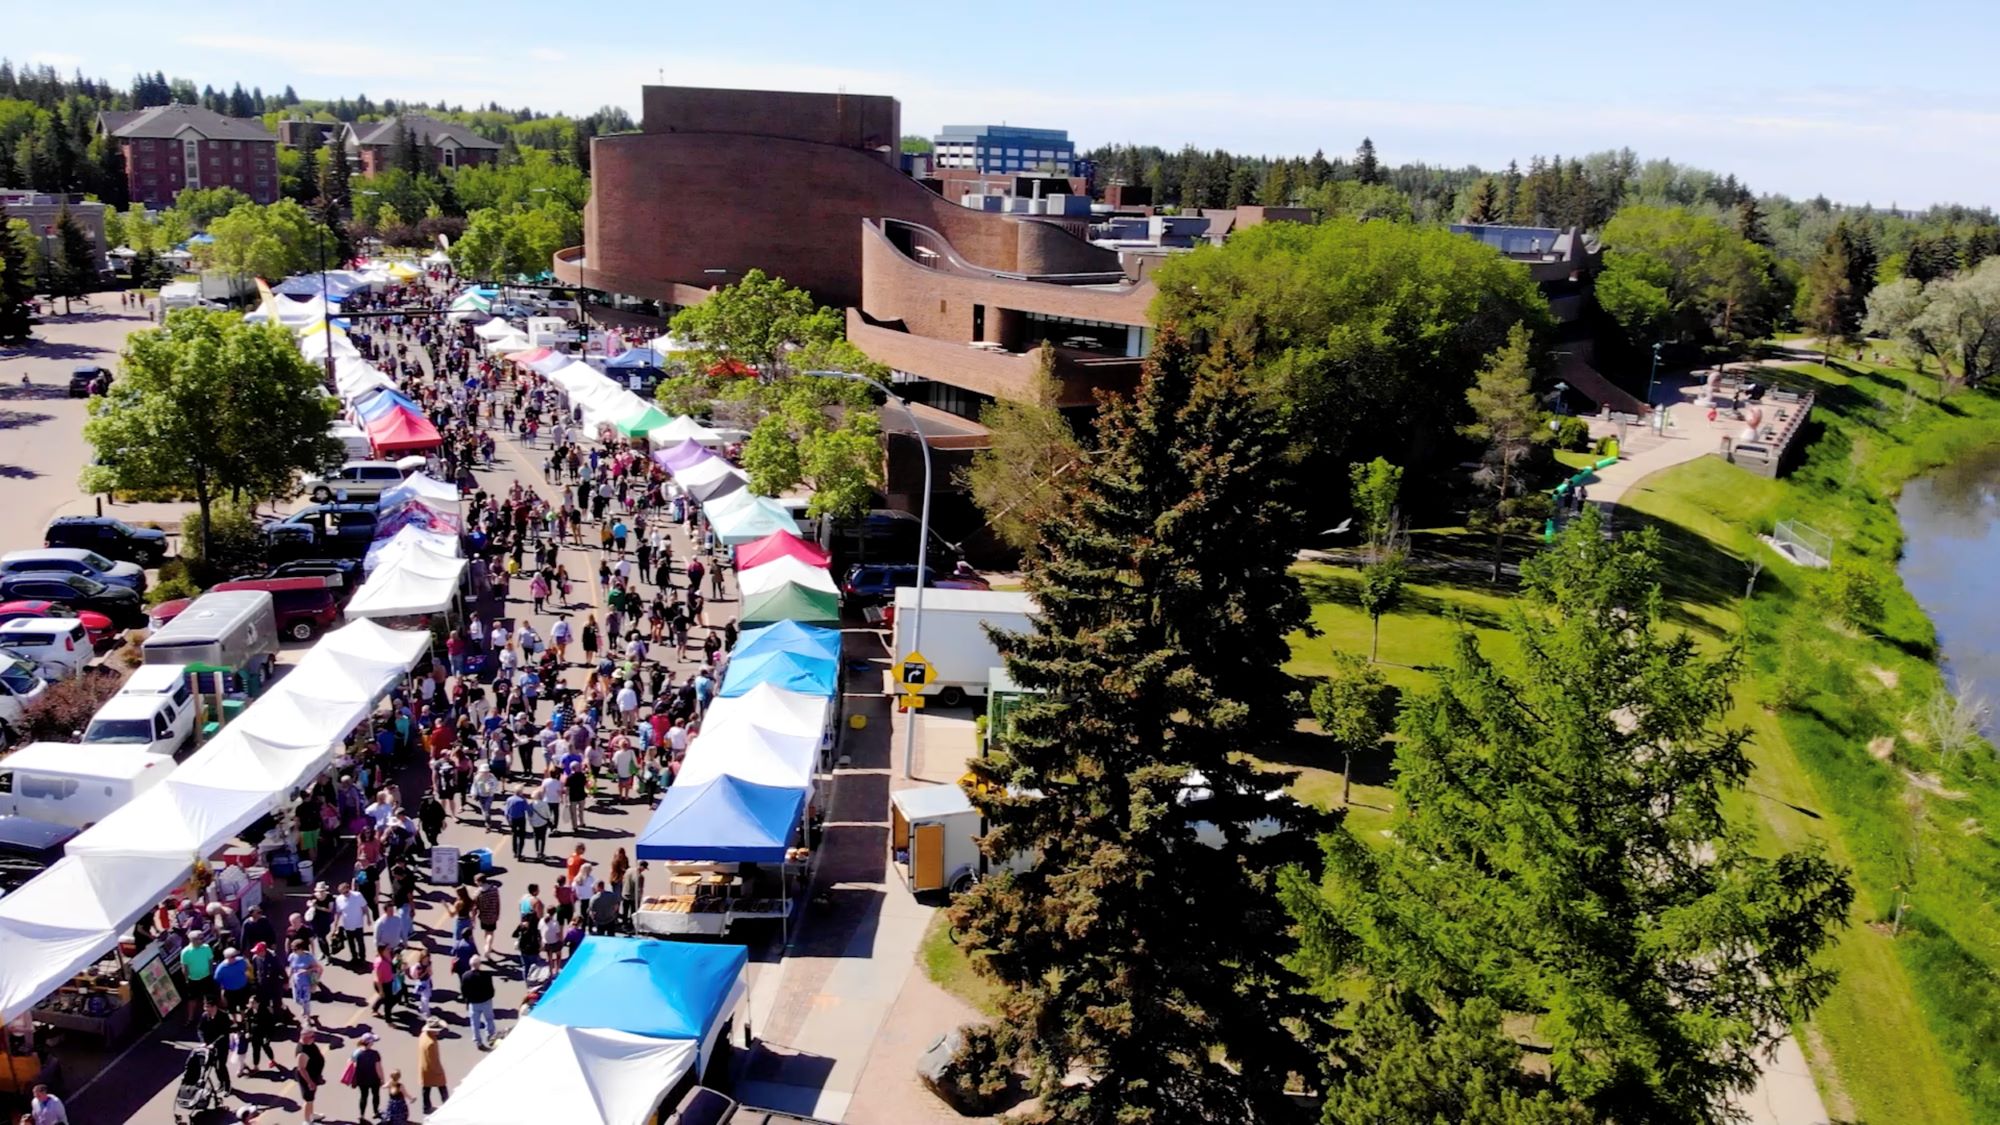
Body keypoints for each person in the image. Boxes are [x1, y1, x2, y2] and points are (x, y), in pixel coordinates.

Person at [461, 956, 498, 1049]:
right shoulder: (486, 975)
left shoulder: (465, 976)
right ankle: (491, 1037)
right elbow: (491, 989)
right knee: (489, 1019)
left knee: (475, 1023)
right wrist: (490, 997)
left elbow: (464, 991)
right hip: (486, 1001)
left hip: (473, 1003)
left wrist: (467, 1000)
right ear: (479, 964)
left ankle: (478, 1041)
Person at [348, 1032, 385, 1121]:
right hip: (374, 1079)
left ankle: (362, 1115)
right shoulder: (375, 1054)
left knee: (363, 1096)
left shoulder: (356, 1053)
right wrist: (382, 1079)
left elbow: (350, 1064)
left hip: (361, 1080)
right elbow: (378, 1068)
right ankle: (376, 1112)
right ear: (369, 1043)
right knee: (375, 1095)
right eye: (372, 1041)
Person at [417, 1017, 451, 1112]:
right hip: (432, 1068)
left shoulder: (423, 1035)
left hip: (424, 1066)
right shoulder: (431, 1043)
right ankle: (447, 1104)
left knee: (426, 1088)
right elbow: (433, 1059)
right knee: (442, 1086)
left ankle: (426, 1106)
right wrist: (439, 1071)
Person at [293, 1030, 325, 1125]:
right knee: (308, 1099)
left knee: (311, 1098)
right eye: (312, 1036)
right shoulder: (302, 1052)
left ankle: (311, 1114)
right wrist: (310, 1082)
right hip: (307, 1078)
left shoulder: (309, 1044)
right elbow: (301, 1069)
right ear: (305, 1038)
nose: (314, 1038)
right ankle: (307, 1121)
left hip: (314, 1075)